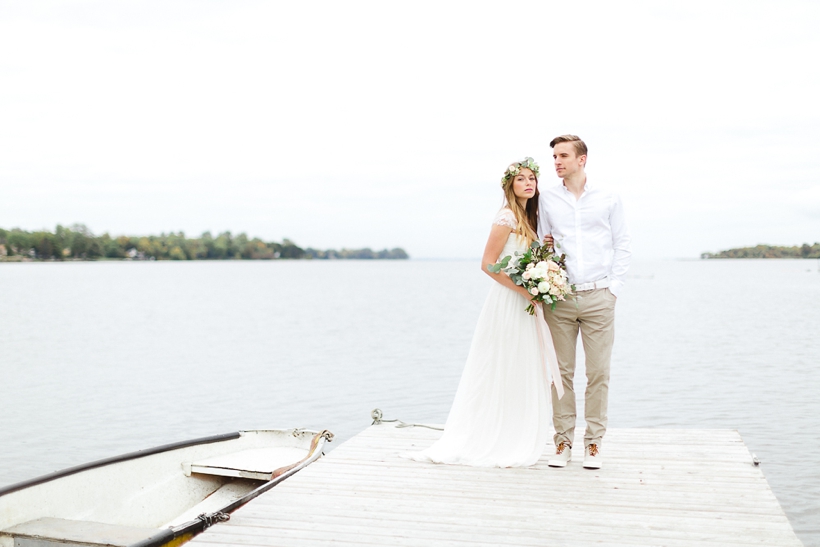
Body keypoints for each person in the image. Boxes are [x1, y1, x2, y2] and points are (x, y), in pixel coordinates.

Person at [401, 157, 561, 467]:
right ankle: (492, 432)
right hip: (508, 301)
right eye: (521, 179)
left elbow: (527, 259)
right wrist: (524, 290)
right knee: (501, 364)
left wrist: (545, 258)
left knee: (522, 364)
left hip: (527, 301)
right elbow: (488, 263)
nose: (529, 183)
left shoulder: (532, 219)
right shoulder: (506, 217)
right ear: (510, 186)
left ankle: (516, 428)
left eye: (532, 178)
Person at [538, 135, 631, 469]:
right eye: (554, 157)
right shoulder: (546, 199)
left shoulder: (608, 198)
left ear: (582, 159)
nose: (557, 162)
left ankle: (593, 444)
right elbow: (542, 245)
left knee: (598, 373)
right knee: (560, 375)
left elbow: (622, 244)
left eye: (563, 155)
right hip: (560, 298)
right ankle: (562, 443)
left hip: (599, 297)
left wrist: (614, 289)